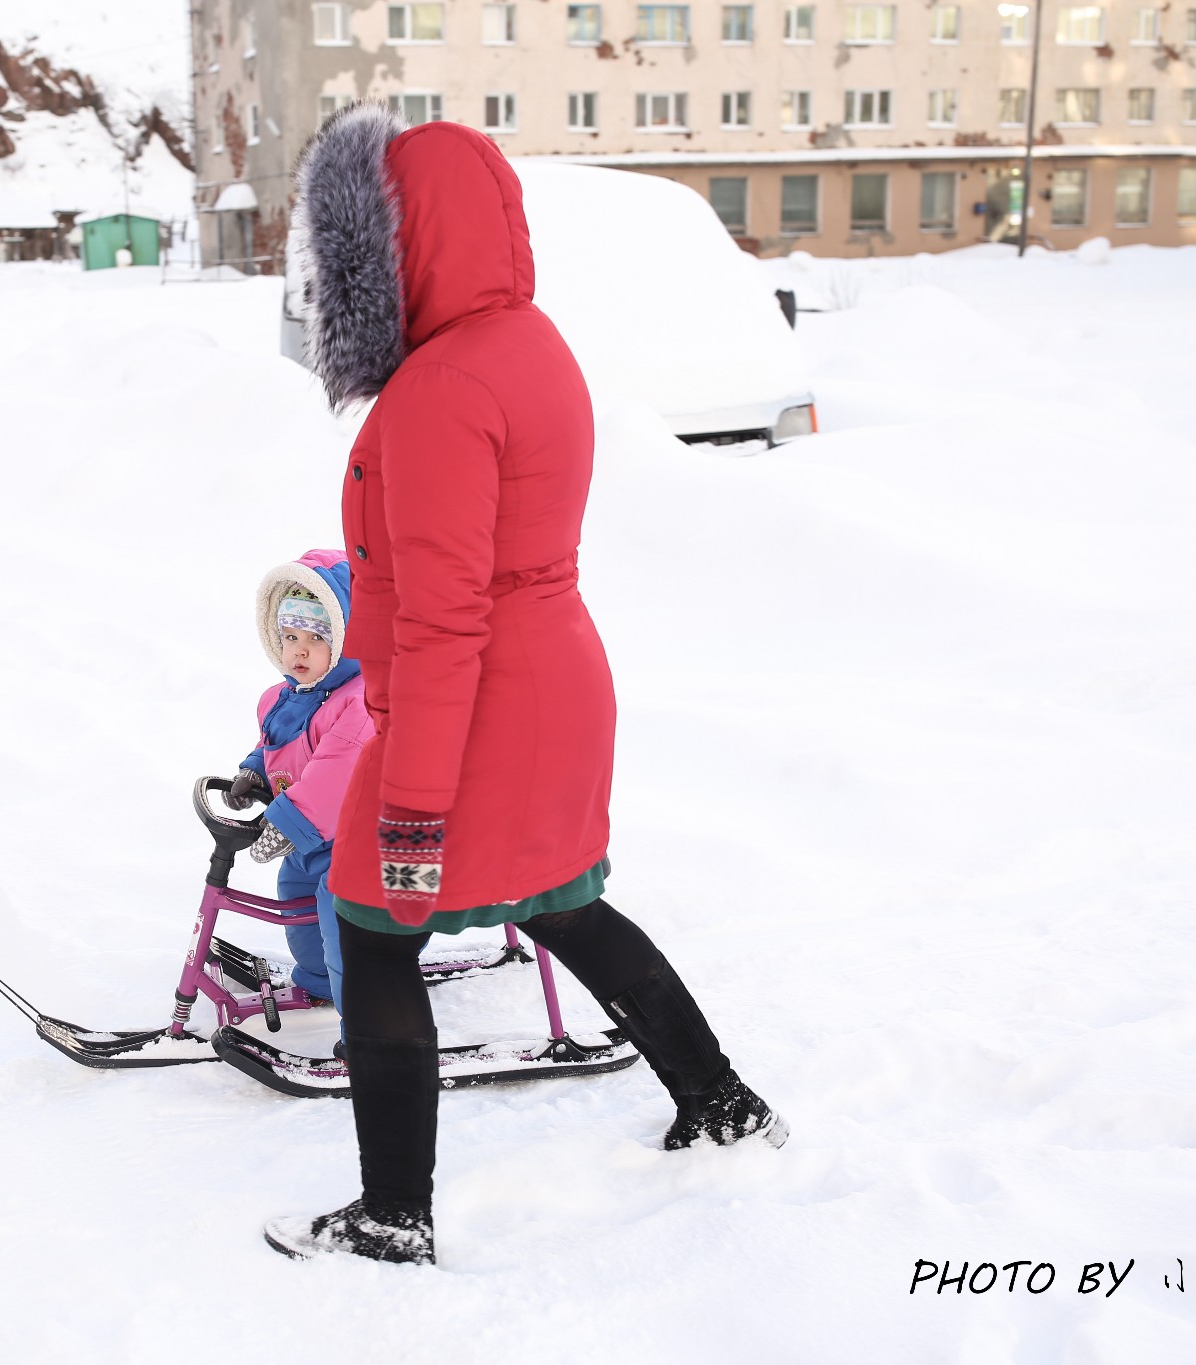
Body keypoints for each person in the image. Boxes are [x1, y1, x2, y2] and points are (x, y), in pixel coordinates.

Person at [262, 107, 786, 1265]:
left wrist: (408, 799)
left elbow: (445, 617)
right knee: (558, 901)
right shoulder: (527, 341)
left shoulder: (442, 390)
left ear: (394, 248)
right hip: (545, 681)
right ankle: (719, 1100)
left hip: (476, 703)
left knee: (376, 923)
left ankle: (394, 1216)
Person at [226, 550, 371, 1049]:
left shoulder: (361, 703)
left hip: (362, 844)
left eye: (316, 639)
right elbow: (282, 745)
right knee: (297, 902)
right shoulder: (284, 696)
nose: (299, 651)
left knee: (345, 931)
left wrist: (288, 822)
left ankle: (370, 1028)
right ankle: (318, 981)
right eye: (291, 637)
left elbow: (337, 773)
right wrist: (253, 772)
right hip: (313, 842)